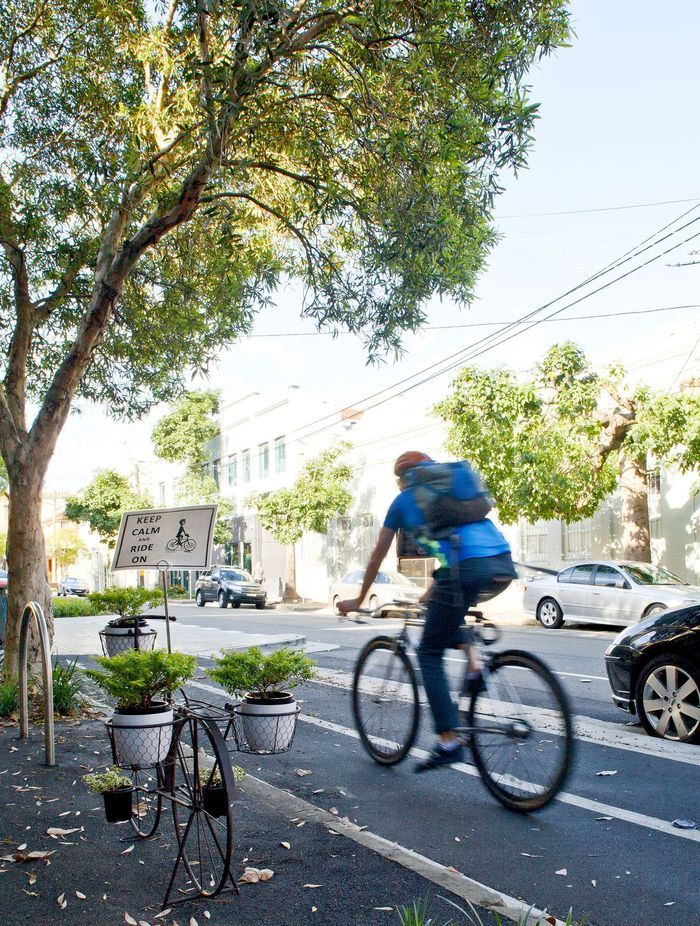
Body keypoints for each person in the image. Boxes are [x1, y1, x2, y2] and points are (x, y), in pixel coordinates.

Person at [338, 451, 516, 772]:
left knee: (429, 653)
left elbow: (377, 557)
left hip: (466, 569)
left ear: (402, 477)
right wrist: (432, 589)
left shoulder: (404, 501)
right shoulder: (450, 493)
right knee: (447, 608)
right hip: (501, 562)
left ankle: (449, 740)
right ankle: (475, 665)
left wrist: (359, 598)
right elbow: (450, 551)